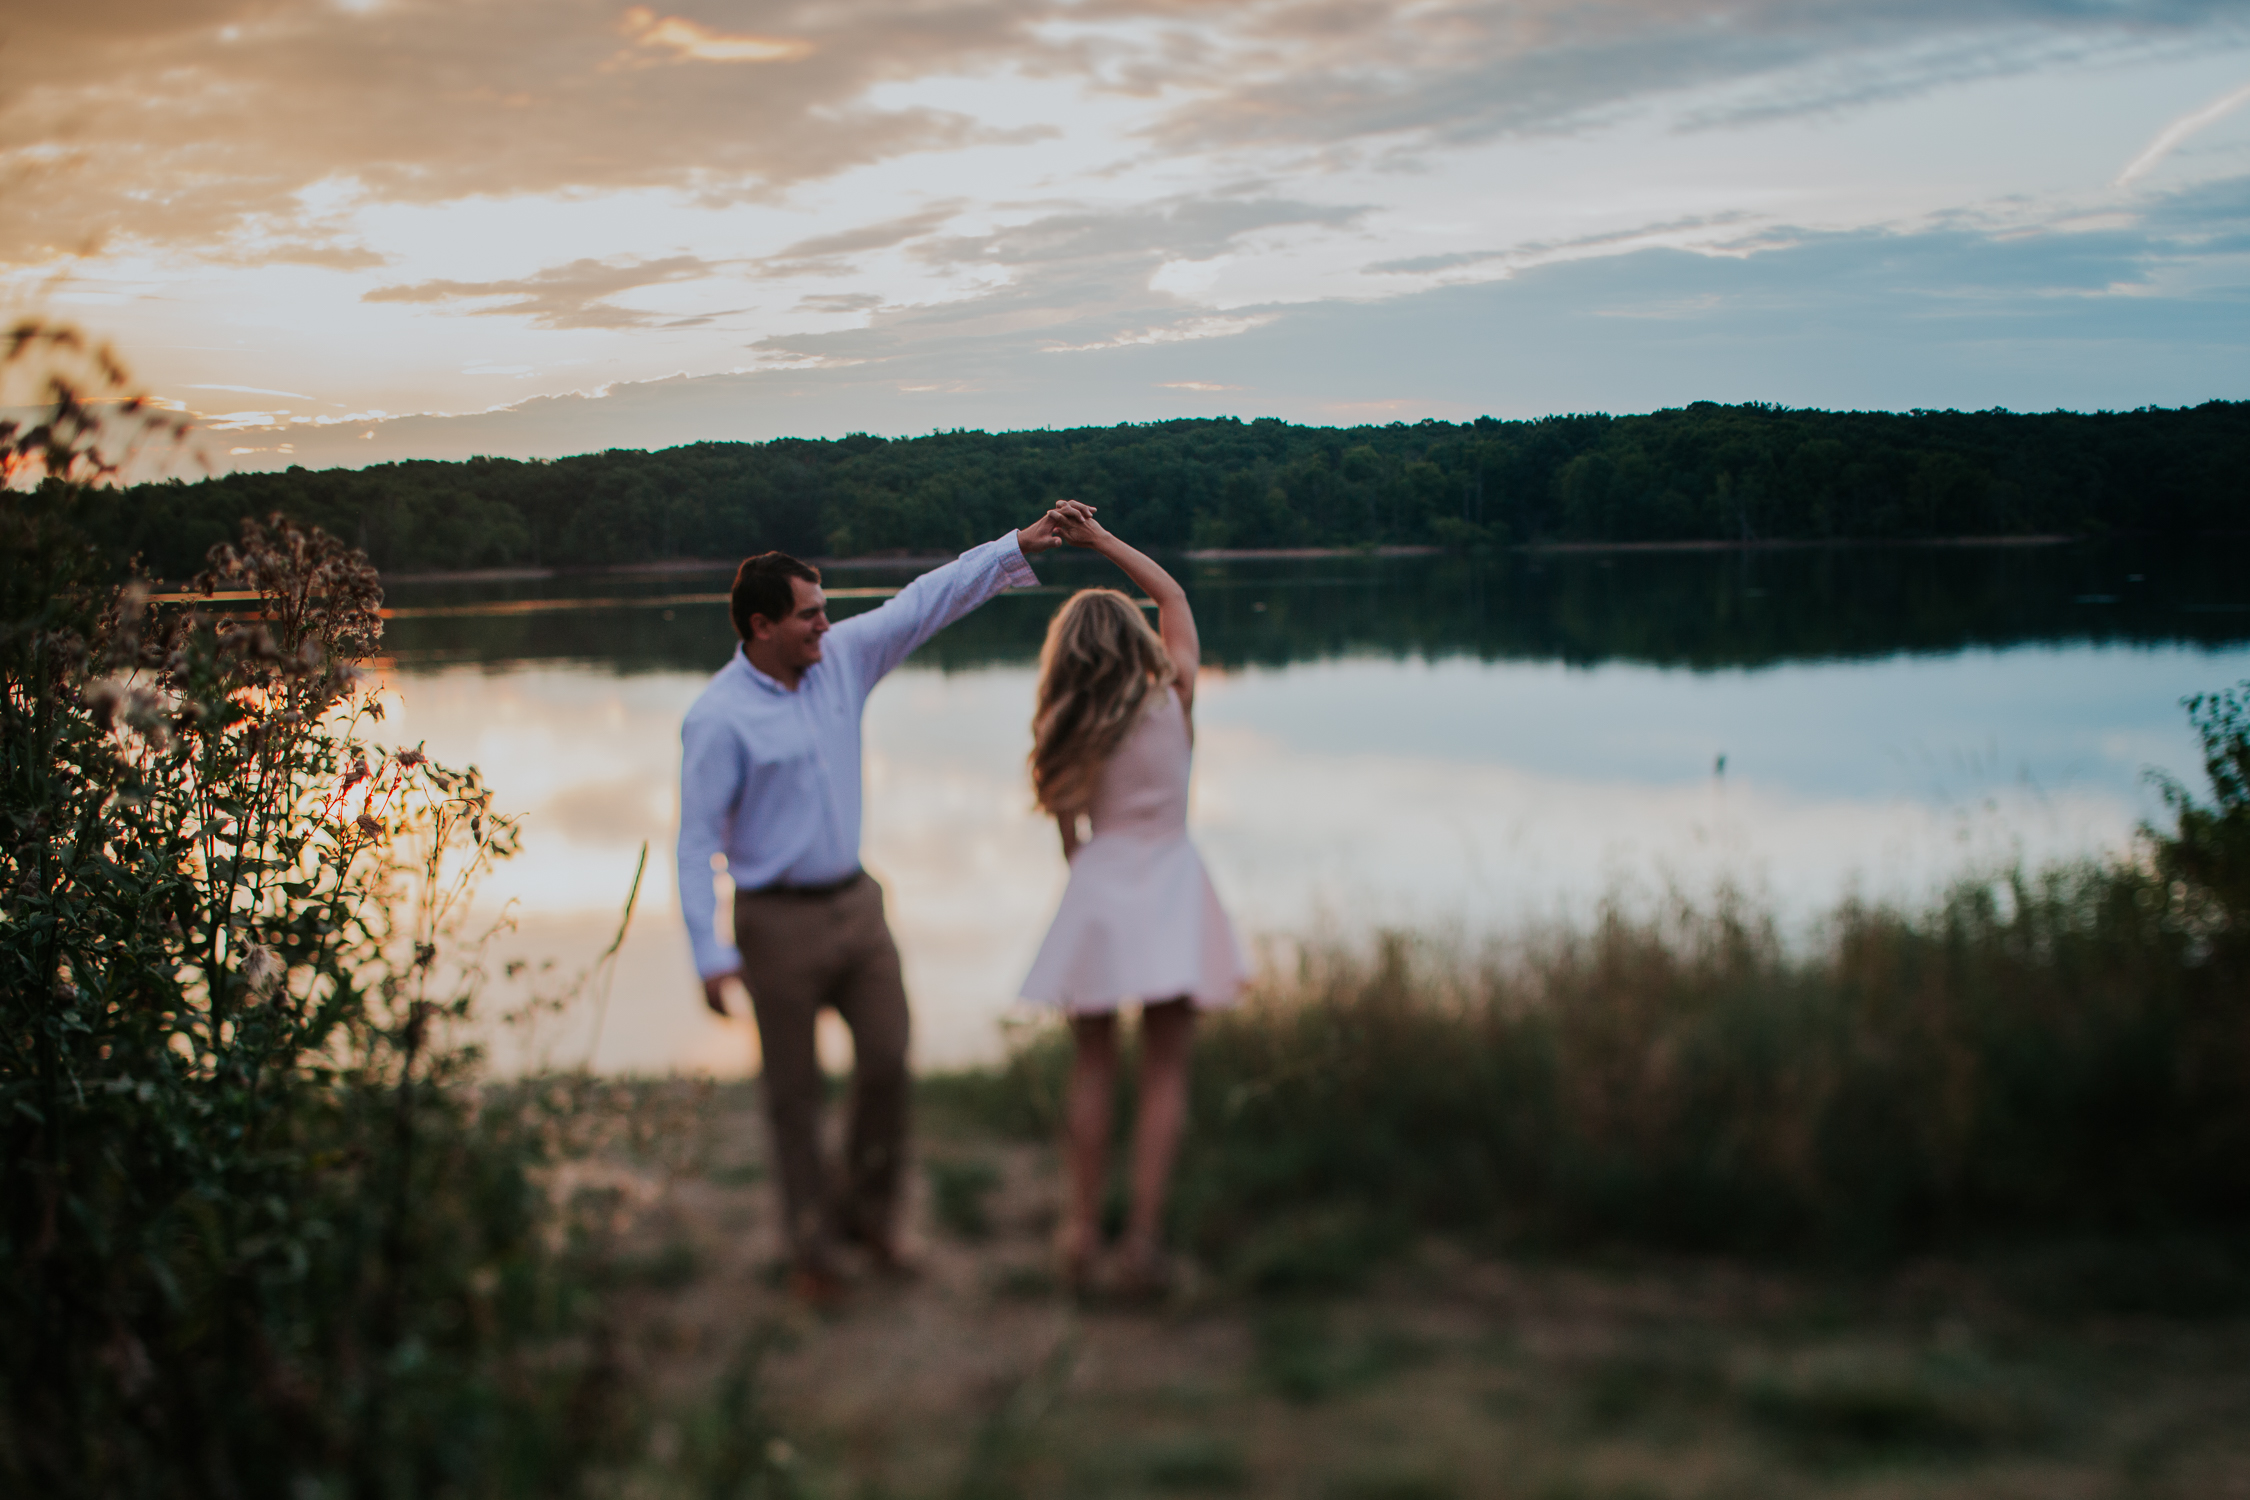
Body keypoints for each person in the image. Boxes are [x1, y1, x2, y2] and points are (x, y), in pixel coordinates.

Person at [679, 511, 1071, 1303]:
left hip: (858, 909)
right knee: (793, 1096)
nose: (827, 622)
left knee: (887, 1062)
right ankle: (813, 1249)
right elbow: (694, 844)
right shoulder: (718, 718)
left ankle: (873, 1219)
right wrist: (710, 955)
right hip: (773, 922)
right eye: (809, 613)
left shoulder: (842, 660)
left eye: (825, 609)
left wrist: (1016, 546)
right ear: (762, 626)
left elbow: (926, 601)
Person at [1020, 501, 1245, 1295]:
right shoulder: (1172, 694)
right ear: (1135, 642)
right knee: (1164, 1073)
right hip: (1173, 889)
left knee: (1092, 1069)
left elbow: (1070, 831)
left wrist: (1087, 878)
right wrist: (1101, 541)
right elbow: (1174, 599)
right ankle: (1142, 1241)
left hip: (1103, 890)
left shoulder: (1066, 718)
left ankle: (1081, 1233)